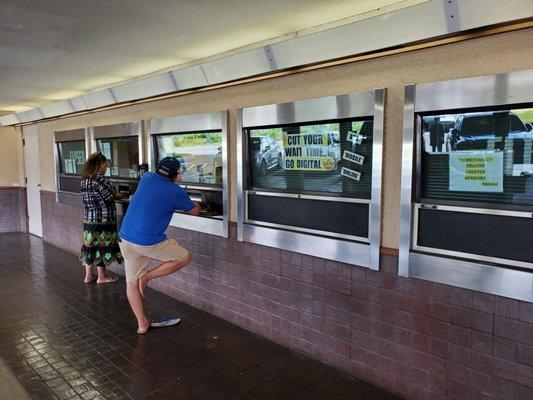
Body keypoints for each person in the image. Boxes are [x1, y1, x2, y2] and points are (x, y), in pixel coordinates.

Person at [118, 157, 200, 334]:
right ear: (176, 175)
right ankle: (148, 276)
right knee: (184, 257)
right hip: (147, 241)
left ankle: (142, 324)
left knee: (131, 282)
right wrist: (193, 201)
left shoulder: (147, 177)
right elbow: (195, 210)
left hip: (126, 237)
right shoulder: (175, 191)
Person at [80, 152, 123, 283]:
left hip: (88, 219)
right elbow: (110, 196)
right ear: (99, 164)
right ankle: (102, 276)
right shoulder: (100, 179)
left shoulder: (85, 180)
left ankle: (88, 275)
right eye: (105, 164)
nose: (106, 166)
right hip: (103, 220)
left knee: (89, 246)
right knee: (101, 247)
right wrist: (119, 194)